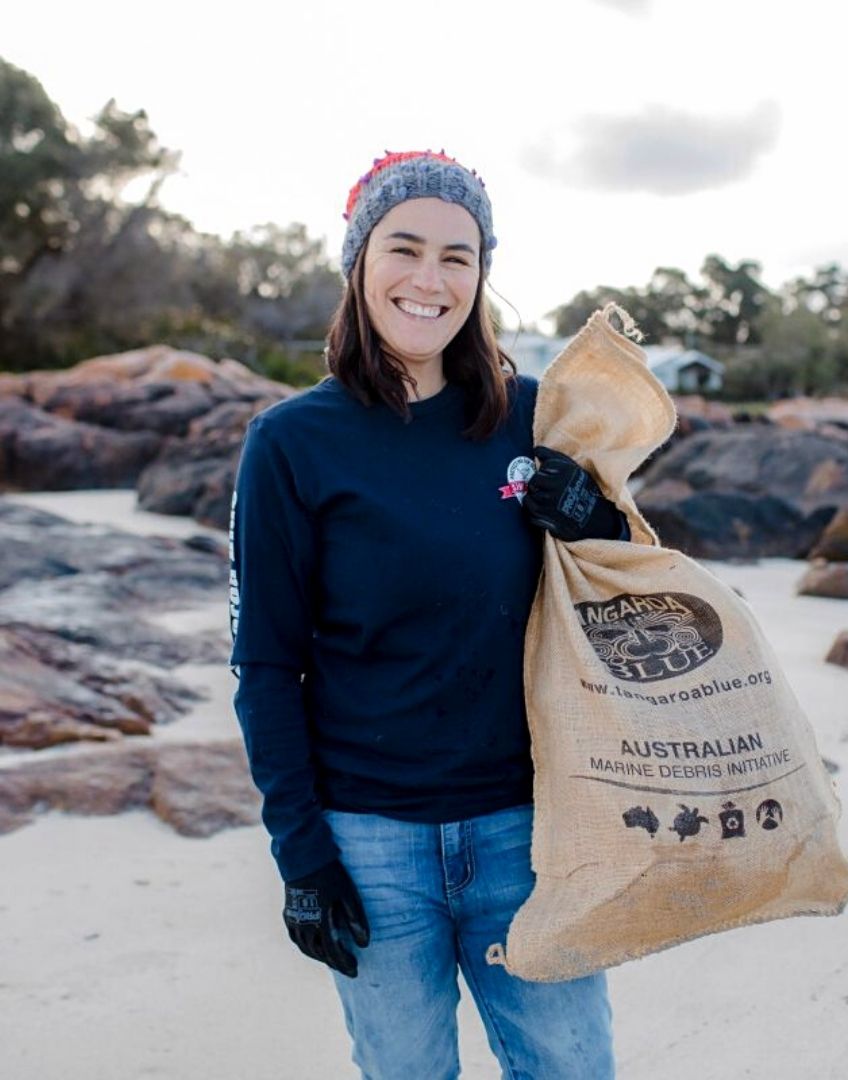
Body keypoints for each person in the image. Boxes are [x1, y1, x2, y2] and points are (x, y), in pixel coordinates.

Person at [228, 150, 625, 1079]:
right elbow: (264, 665)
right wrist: (304, 859)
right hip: (371, 844)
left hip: (531, 834)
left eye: (459, 256)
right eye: (404, 249)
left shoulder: (534, 418)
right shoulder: (290, 444)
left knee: (572, 1070)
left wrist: (591, 514)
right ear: (359, 264)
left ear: (482, 276)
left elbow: (620, 581)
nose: (430, 279)